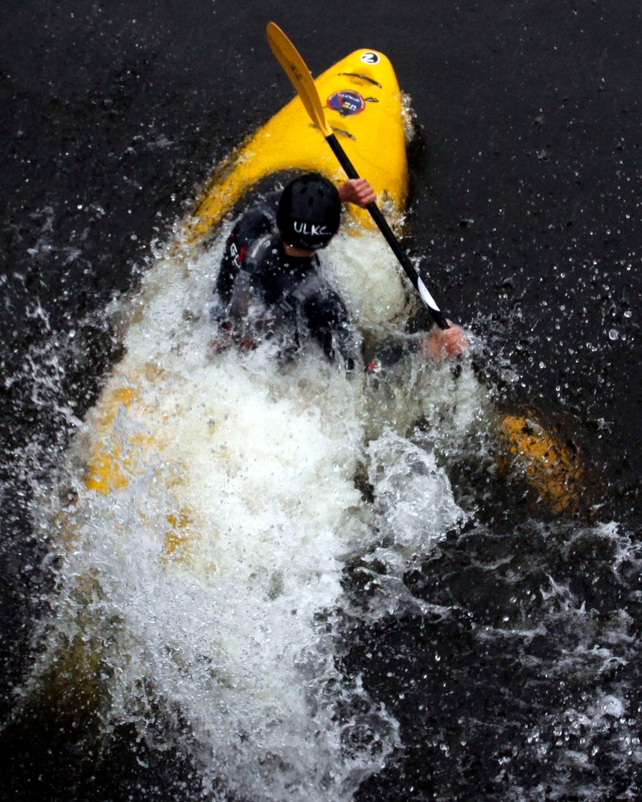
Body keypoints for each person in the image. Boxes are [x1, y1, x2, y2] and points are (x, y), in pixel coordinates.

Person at [210, 172, 467, 368]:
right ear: (335, 231)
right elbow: (355, 367)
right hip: (268, 364)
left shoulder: (250, 225)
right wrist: (428, 346)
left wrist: (340, 193)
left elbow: (275, 203)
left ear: (278, 219)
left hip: (219, 326)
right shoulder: (320, 299)